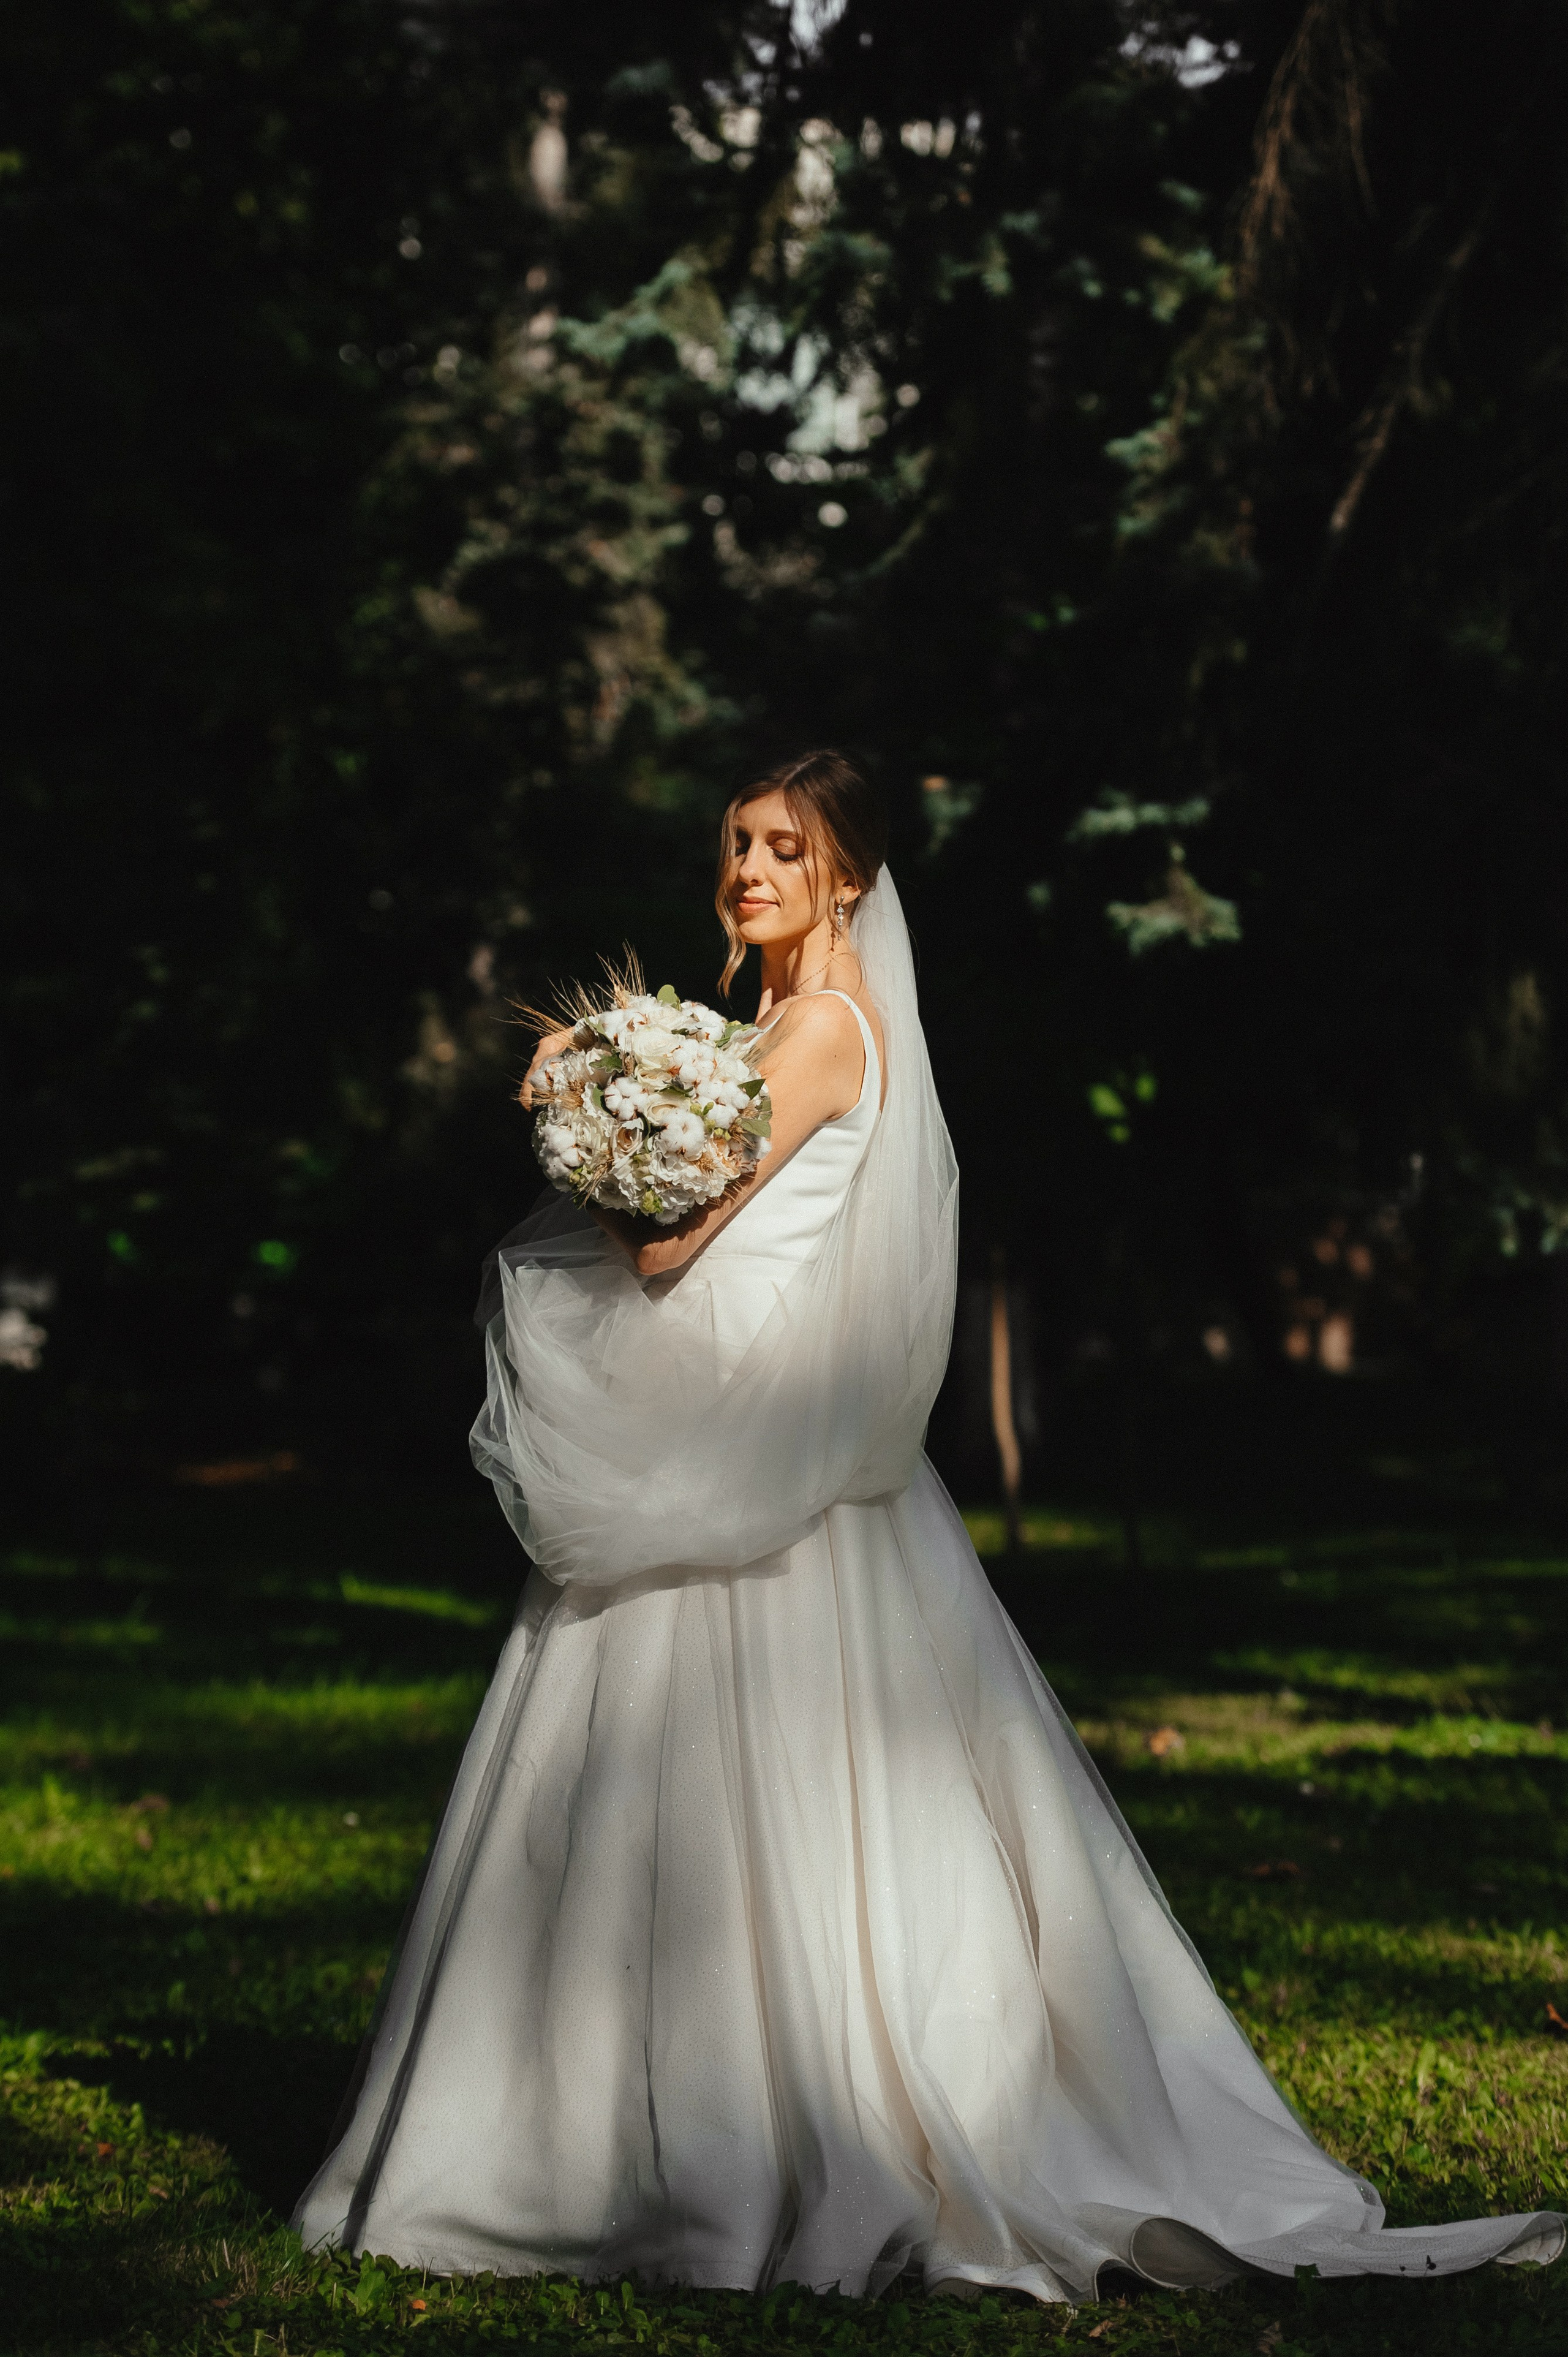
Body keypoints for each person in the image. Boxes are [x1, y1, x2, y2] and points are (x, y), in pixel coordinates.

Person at [295, 752, 1563, 2302]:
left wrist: (580, 1113)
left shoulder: (822, 1029)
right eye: (736, 843)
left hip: (773, 1480)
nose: (748, 868)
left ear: (845, 877)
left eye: (782, 847)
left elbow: (668, 1244)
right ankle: (612, 2138)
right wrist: (614, 1107)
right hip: (718, 1447)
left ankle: (759, 2137)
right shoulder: (751, 1029)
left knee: (775, 1805)